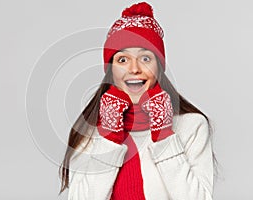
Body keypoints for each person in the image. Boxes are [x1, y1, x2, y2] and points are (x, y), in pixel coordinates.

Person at [59, 2, 216, 200]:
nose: (134, 69)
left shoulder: (191, 126)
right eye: (122, 60)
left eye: (145, 58)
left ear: (159, 66)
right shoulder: (89, 130)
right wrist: (109, 138)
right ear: (111, 70)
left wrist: (165, 137)